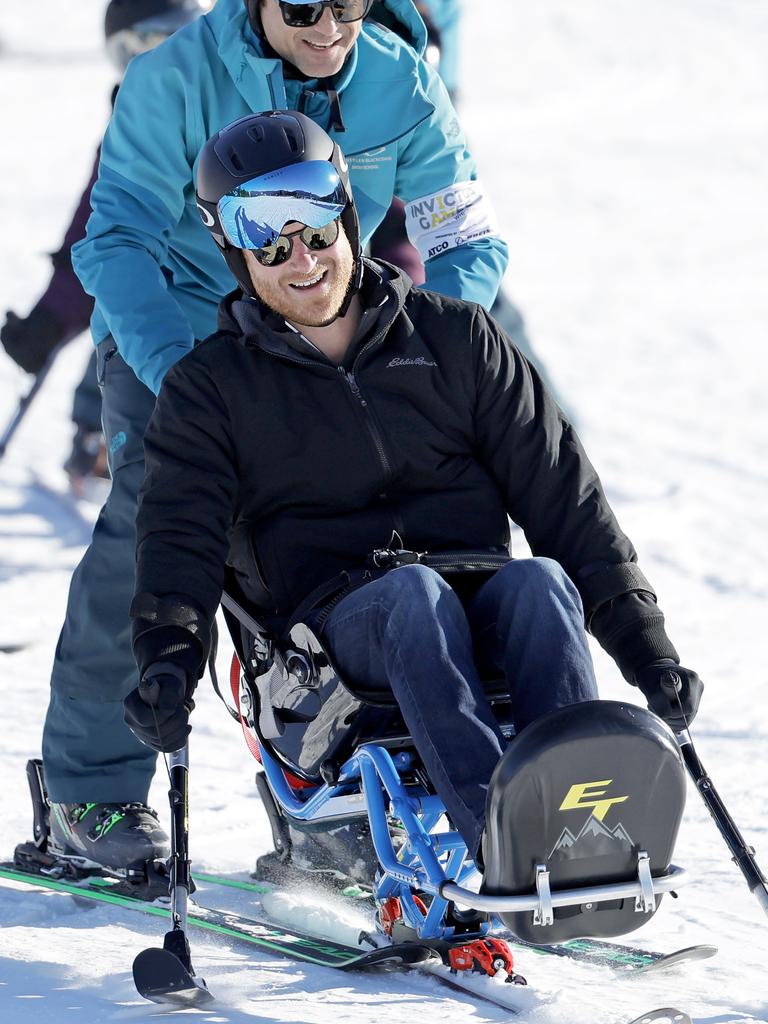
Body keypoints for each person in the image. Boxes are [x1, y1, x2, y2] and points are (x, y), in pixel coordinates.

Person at [122, 111, 703, 881]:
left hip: (465, 596)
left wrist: (645, 647)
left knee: (539, 582)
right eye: (264, 232)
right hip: (318, 658)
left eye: (317, 222)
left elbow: (565, 501)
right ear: (232, 249)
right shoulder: (211, 392)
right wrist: (167, 659)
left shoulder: (458, 340)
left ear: (349, 215)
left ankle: (582, 836)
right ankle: (498, 845)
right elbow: (179, 541)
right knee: (412, 597)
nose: (300, 256)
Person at [41, 0, 508, 873]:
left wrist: (429, 349)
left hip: (320, 330)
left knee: (346, 542)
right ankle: (90, 792)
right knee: (162, 522)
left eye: (353, 1)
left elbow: (463, 236)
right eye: (305, 6)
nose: (332, 26)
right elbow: (115, 243)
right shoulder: (173, 79)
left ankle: (332, 806)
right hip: (177, 336)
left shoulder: (398, 75)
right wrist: (189, 387)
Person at [1, 0, 209, 499]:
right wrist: (51, 319)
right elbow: (96, 230)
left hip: (229, 294)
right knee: (123, 319)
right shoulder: (133, 117)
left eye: (163, 42)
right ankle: (99, 438)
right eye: (129, 51)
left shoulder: (224, 104)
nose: (150, 65)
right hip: (159, 301)